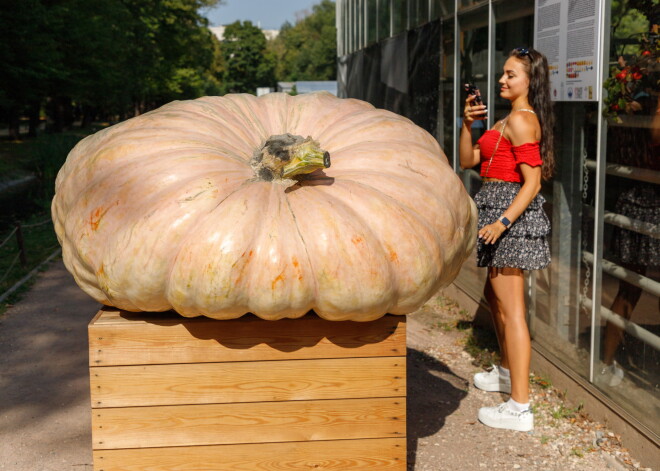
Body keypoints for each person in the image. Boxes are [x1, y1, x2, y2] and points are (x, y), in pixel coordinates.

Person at [459, 47, 554, 432]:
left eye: (511, 75)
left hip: (509, 219)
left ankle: (519, 407)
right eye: (503, 73)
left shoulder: (523, 121)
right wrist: (469, 125)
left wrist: (501, 222)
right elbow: (468, 161)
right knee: (498, 304)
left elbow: (533, 182)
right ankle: (505, 372)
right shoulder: (504, 120)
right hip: (497, 214)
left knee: (513, 310)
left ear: (530, 81)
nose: (502, 79)